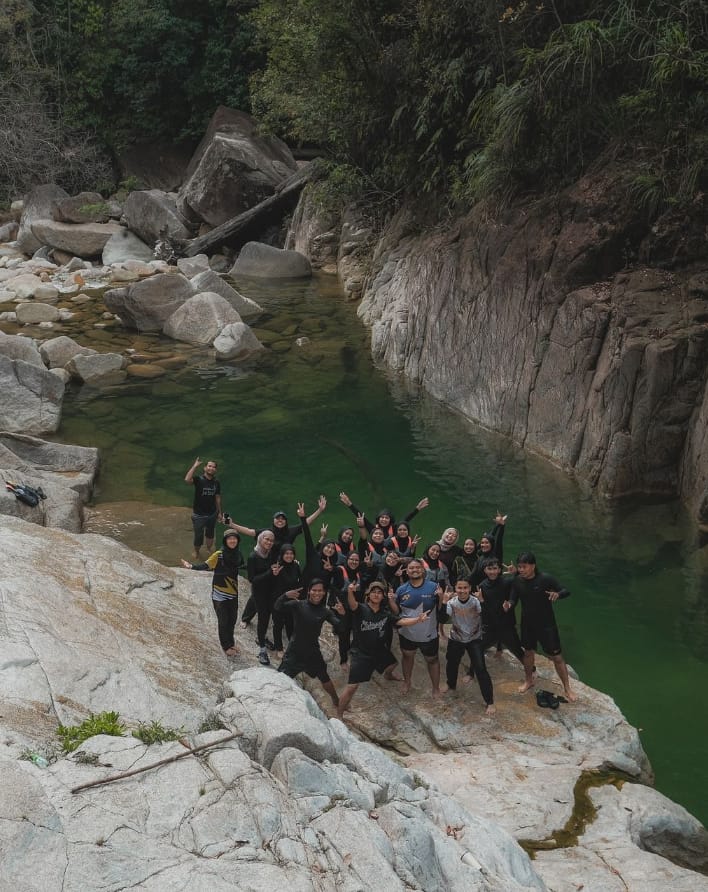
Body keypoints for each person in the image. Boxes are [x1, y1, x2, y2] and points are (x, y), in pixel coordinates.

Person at [338, 580, 433, 719]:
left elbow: (401, 622)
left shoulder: (385, 613)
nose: (376, 595)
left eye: (379, 593)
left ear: (383, 596)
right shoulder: (361, 609)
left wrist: (417, 619)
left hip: (378, 650)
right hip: (361, 653)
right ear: (368, 594)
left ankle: (388, 675)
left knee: (393, 663)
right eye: (373, 592)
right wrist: (350, 591)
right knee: (352, 686)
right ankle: (339, 714)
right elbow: (352, 604)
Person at [504, 552, 577, 701]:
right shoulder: (517, 581)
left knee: (556, 657)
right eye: (519, 567)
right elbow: (513, 598)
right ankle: (529, 680)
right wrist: (509, 604)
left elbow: (566, 590)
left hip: (547, 625)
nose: (521, 570)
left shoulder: (545, 579)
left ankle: (567, 688)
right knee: (528, 653)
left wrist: (558, 594)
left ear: (533, 566)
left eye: (524, 567)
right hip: (527, 624)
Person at [276, 579, 343, 707]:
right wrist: (285, 596)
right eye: (314, 590)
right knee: (280, 680)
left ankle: (336, 700)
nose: (317, 593)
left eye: (320, 591)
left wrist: (342, 614)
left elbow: (340, 627)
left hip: (312, 652)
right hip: (294, 652)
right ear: (309, 591)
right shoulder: (299, 605)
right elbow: (277, 607)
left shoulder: (325, 611)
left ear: (324, 593)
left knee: (324, 677)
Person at [181, 529, 243, 657]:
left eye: (234, 538)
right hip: (219, 594)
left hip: (233, 593)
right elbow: (206, 565)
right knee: (223, 620)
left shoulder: (238, 554)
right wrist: (191, 566)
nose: (232, 541)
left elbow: (243, 566)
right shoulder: (219, 555)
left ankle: (231, 643)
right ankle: (225, 646)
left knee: (232, 619)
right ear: (225, 541)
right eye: (229, 539)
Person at [443, 578, 495, 715]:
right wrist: (443, 601)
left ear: (469, 588)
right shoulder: (451, 602)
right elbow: (442, 618)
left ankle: (489, 701)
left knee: (481, 669)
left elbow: (487, 617)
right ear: (455, 589)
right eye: (459, 588)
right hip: (457, 638)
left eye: (465, 588)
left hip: (474, 639)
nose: (462, 591)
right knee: (452, 663)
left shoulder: (476, 601)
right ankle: (451, 684)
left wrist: (482, 600)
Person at [393, 558, 443, 697]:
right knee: (407, 656)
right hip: (407, 633)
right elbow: (397, 612)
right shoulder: (401, 589)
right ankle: (407, 681)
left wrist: (442, 597)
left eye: (417, 567)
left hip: (429, 634)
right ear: (407, 572)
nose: (414, 570)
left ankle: (436, 688)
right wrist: (391, 600)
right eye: (411, 568)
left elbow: (440, 610)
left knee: (432, 660)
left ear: (422, 570)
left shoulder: (433, 587)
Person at [247, 530, 278, 666]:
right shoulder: (253, 557)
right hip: (259, 592)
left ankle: (262, 638)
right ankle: (262, 649)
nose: (269, 542)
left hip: (270, 591)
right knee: (263, 617)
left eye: (271, 540)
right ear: (260, 540)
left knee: (269, 615)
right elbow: (252, 579)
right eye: (267, 539)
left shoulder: (270, 554)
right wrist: (269, 573)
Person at [339, 492, 429, 537]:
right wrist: (349, 504)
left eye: (386, 518)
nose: (384, 519)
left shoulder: (394, 528)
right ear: (378, 519)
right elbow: (360, 516)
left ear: (390, 520)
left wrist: (417, 509)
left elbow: (407, 519)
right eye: (382, 517)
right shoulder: (373, 529)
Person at [184, 457, 223, 560]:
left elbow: (217, 497)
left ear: (215, 470)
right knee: (198, 536)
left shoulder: (216, 482)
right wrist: (195, 466)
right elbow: (187, 480)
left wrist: (219, 512)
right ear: (205, 468)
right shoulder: (199, 479)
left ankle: (209, 549)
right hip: (199, 514)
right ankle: (196, 551)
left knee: (210, 534)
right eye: (209, 466)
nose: (211, 468)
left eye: (213, 467)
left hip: (212, 513)